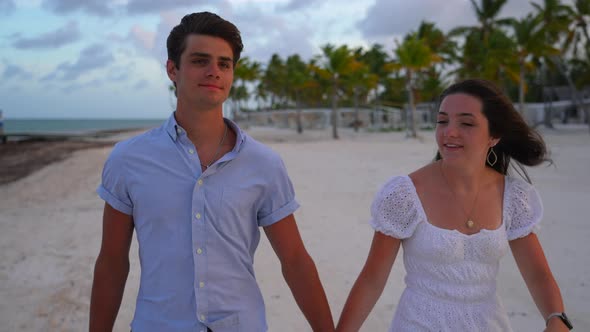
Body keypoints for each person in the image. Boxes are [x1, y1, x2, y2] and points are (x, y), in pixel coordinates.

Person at [89, 12, 334, 332]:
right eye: (200, 60)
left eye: (224, 63)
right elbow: (111, 262)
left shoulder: (264, 163)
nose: (213, 72)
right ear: (172, 69)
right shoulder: (129, 159)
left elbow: (295, 261)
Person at [336, 79, 572, 331]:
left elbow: (537, 274)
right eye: (442, 121)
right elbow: (372, 279)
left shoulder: (514, 196)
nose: (449, 131)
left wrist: (556, 318)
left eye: (466, 123)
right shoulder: (405, 194)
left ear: (494, 135)